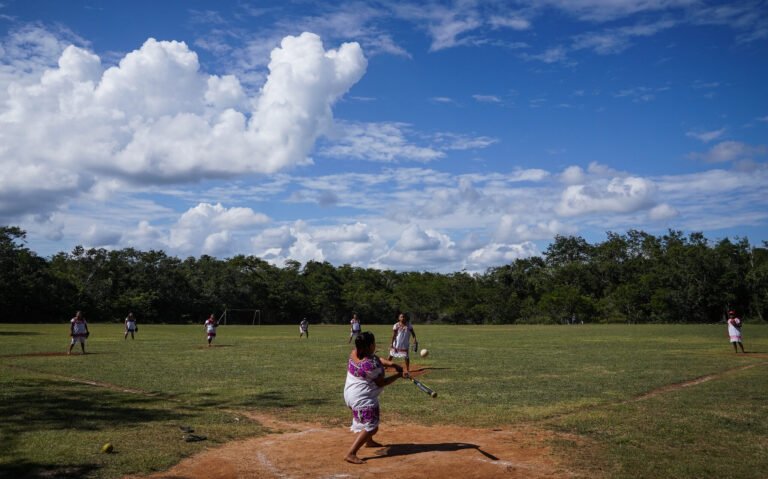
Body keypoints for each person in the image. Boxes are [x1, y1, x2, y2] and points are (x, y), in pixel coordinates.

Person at [343, 331, 404, 464]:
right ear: (370, 345)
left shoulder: (354, 353)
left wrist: (393, 365)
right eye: (374, 343)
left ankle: (369, 441)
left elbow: (377, 359)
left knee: (368, 420)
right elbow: (382, 382)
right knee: (372, 426)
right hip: (361, 398)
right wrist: (399, 375)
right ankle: (351, 453)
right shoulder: (371, 365)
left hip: (350, 394)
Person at [387, 312, 417, 376]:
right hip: (397, 343)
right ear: (399, 318)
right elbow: (394, 335)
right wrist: (391, 343)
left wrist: (415, 341)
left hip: (404, 344)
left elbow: (413, 334)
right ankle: (386, 366)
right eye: (401, 317)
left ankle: (407, 369)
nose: (403, 318)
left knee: (406, 356)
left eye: (404, 317)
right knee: (391, 355)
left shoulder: (409, 325)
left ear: (406, 318)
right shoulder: (396, 325)